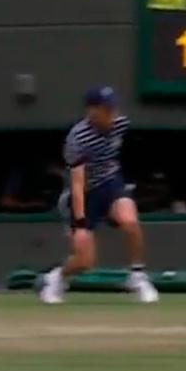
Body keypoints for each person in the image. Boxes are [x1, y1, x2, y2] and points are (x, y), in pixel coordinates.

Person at [38, 86, 158, 305]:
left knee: (130, 221)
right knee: (85, 261)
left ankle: (137, 276)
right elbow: (77, 183)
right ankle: (57, 278)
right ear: (92, 111)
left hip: (111, 183)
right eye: (107, 109)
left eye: (113, 108)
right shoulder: (77, 139)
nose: (113, 113)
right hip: (84, 192)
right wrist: (81, 224)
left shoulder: (120, 124)